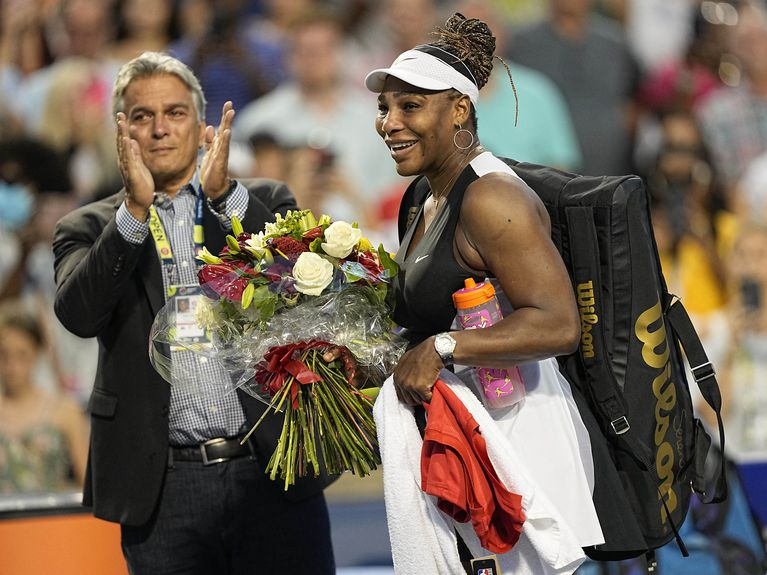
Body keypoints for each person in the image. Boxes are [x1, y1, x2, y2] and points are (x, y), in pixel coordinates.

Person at [364, 12, 649, 573]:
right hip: (466, 445)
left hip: (519, 447)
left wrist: (445, 348)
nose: (389, 123)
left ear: (461, 110)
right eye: (384, 108)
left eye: (410, 106)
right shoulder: (422, 196)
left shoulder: (493, 199)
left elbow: (558, 324)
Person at [52, 51, 334, 574]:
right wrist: (134, 214)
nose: (160, 129)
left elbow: (305, 288)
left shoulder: (261, 200)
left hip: (270, 467)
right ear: (122, 130)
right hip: (161, 487)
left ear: (202, 124)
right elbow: (79, 316)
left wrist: (225, 195)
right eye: (142, 116)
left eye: (175, 113)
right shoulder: (89, 227)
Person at [0, 301, 89, 494]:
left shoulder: (65, 412)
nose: (12, 366)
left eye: (22, 354)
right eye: (4, 355)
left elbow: (88, 487)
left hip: (51, 520)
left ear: (37, 352)